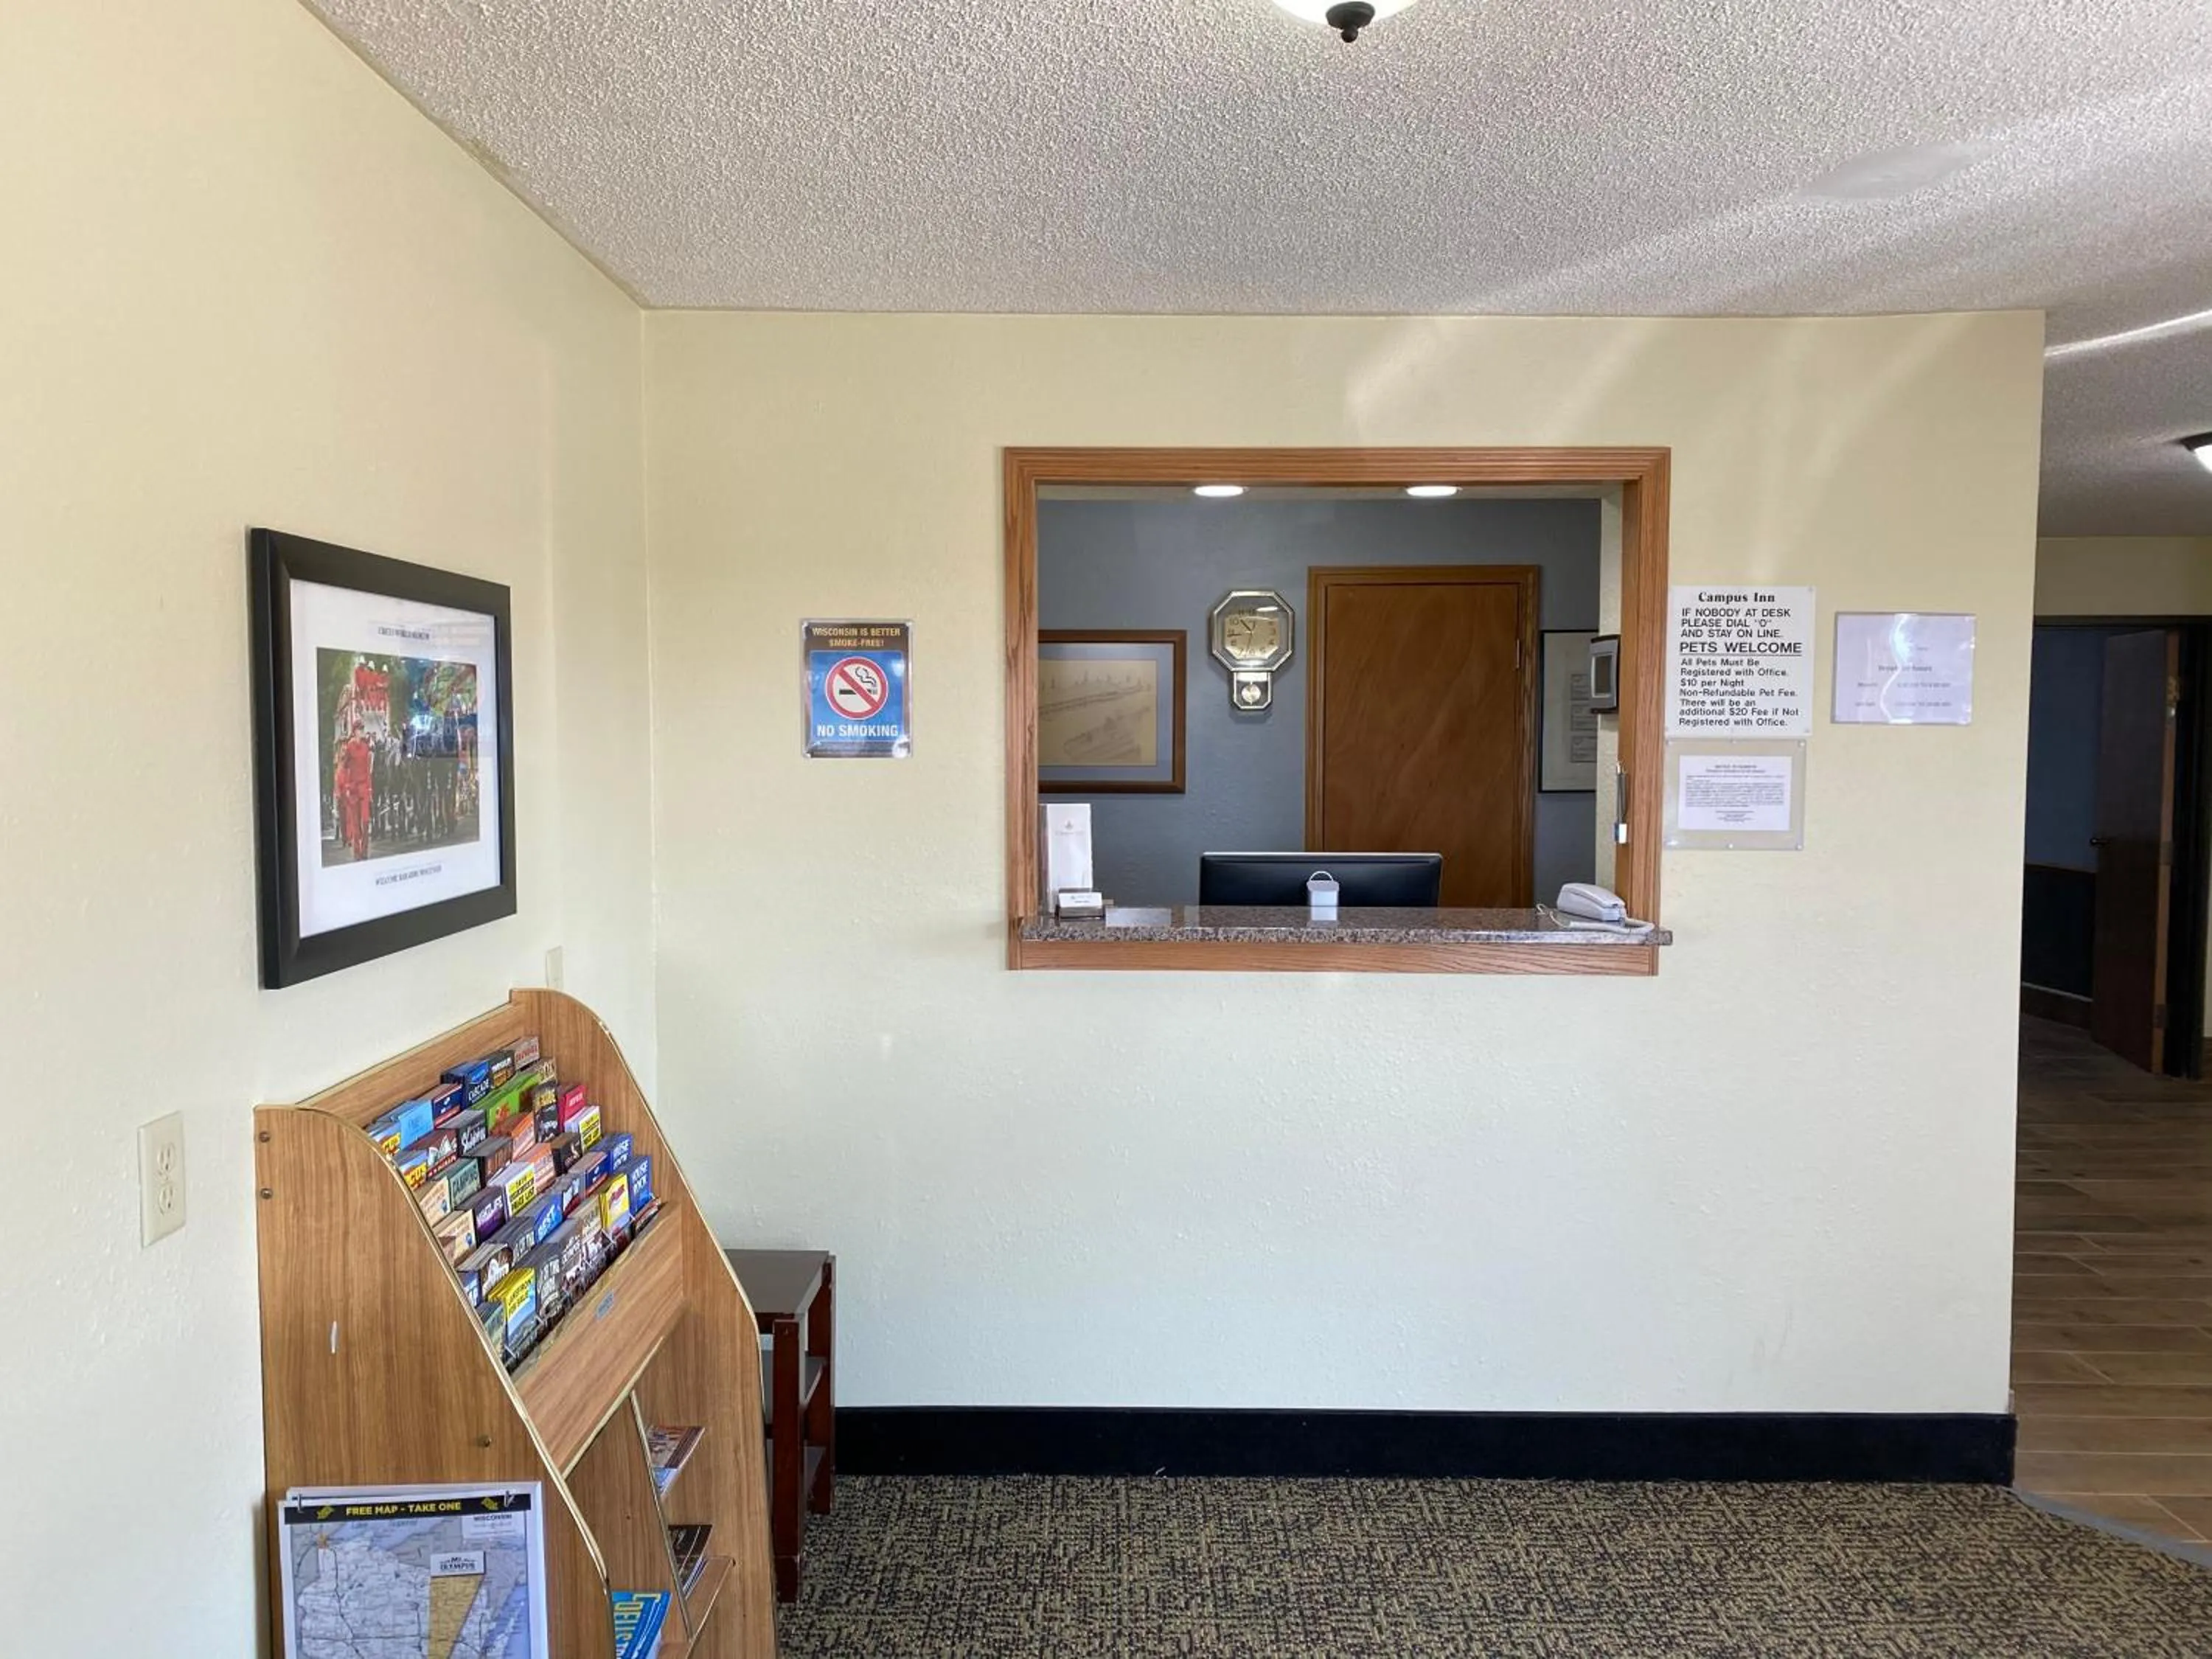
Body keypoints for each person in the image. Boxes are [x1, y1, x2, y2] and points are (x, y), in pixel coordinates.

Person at [334, 717, 374, 861]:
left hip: (364, 788)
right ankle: (357, 853)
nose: (362, 731)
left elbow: (368, 770)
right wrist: (345, 787)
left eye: (363, 729)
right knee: (356, 825)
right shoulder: (349, 747)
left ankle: (365, 852)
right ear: (355, 731)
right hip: (353, 789)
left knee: (365, 821)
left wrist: (370, 790)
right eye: (360, 729)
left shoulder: (366, 747)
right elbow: (343, 768)